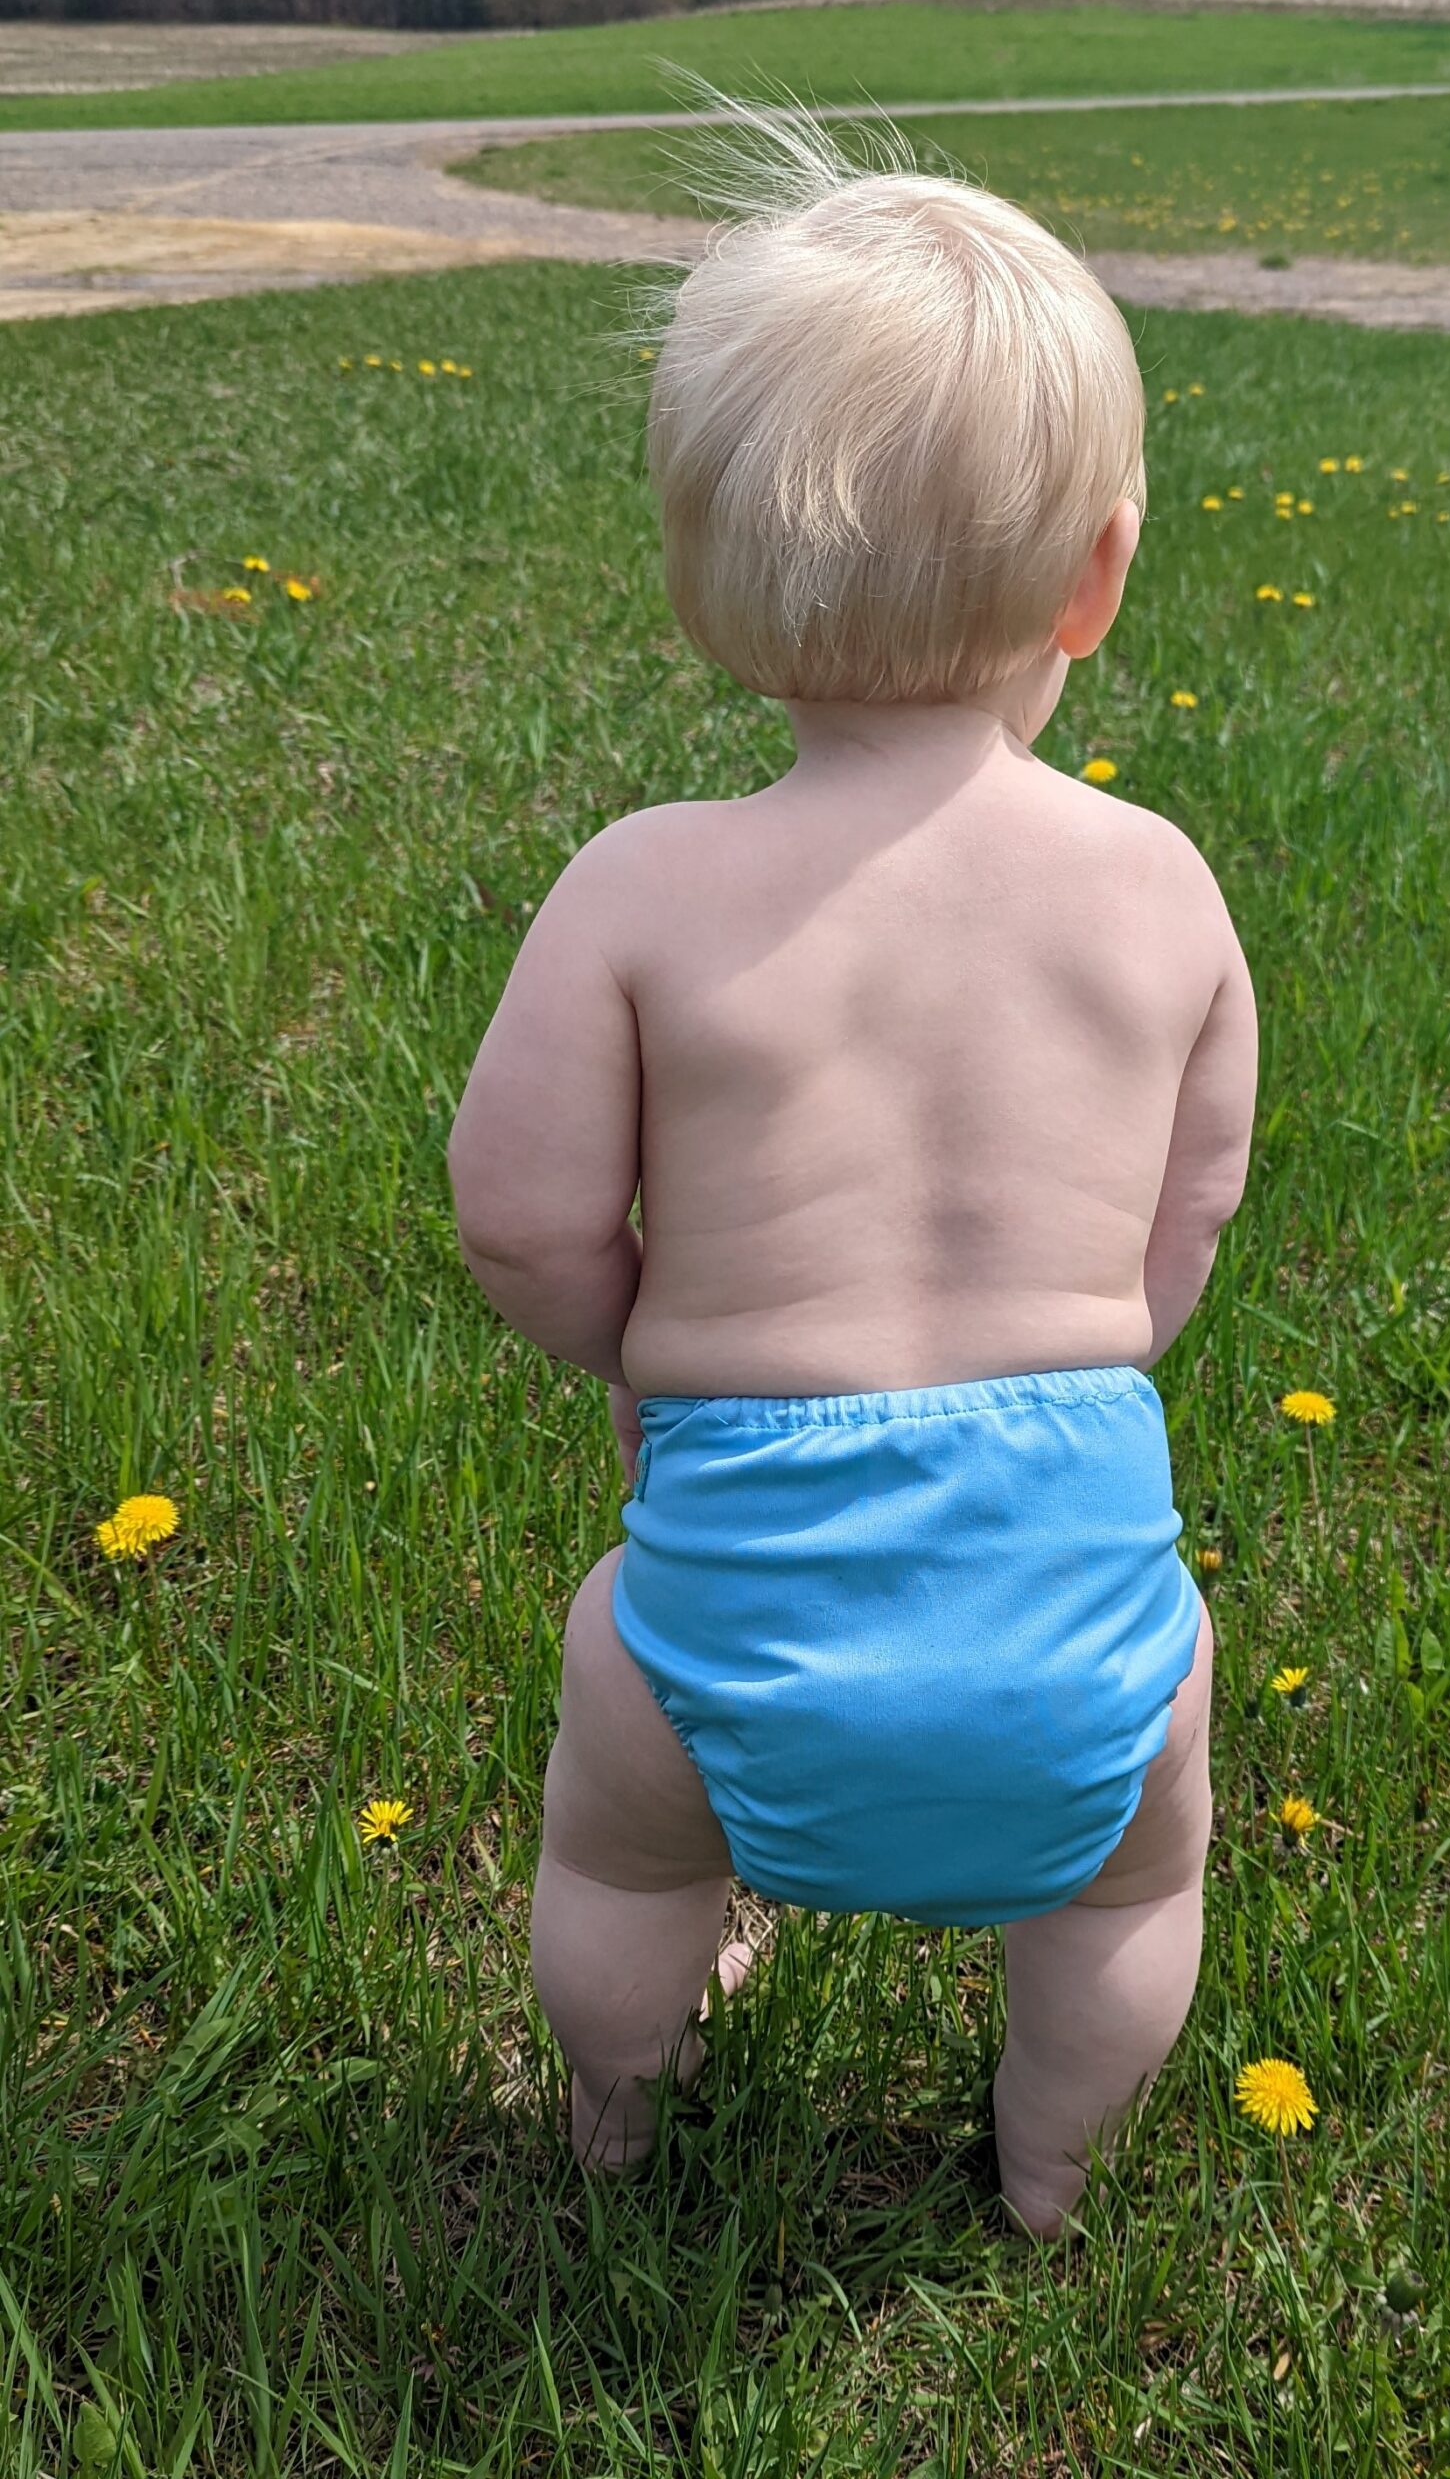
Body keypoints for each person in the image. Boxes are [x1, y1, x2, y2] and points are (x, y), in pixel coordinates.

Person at [448, 109, 1257, 2236]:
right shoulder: (1155, 889)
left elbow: (516, 1210)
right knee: (1137, 1860)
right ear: (1100, 569)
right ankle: (1053, 2161)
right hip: (1079, 1603)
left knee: (621, 1820)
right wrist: (1096, 1351)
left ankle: (619, 2112)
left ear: (702, 574)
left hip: (730, 1595)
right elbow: (1190, 1202)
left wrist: (645, 1347)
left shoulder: (640, 887)